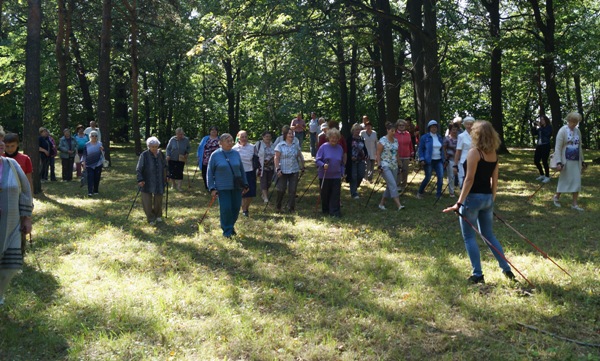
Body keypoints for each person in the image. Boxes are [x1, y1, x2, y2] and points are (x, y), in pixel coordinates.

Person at [443, 121, 515, 284]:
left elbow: (469, 180)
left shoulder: (474, 152)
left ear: (476, 135)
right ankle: (507, 269)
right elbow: (495, 180)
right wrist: (492, 199)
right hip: (487, 198)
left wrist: (458, 203)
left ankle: (478, 274)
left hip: (472, 198)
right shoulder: (493, 154)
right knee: (489, 235)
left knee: (469, 237)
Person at [0, 137, 34, 307]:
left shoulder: (12, 165)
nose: (1, 145)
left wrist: (27, 217)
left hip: (12, 224)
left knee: (10, 267)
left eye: (1, 141)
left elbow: (26, 191)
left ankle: (0, 294)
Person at [207, 133, 249, 238]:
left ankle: (230, 226)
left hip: (236, 186)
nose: (230, 143)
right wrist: (212, 188)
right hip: (222, 187)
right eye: (227, 141)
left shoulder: (236, 154)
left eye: (231, 141)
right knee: (226, 209)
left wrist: (245, 184)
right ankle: (227, 231)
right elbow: (210, 172)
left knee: (235, 208)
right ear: (220, 143)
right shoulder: (215, 155)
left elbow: (241, 170)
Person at [552, 112, 586, 211]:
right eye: (573, 121)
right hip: (565, 161)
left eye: (577, 122)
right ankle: (556, 197)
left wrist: (582, 161)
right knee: (564, 180)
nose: (575, 123)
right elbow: (558, 148)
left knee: (576, 181)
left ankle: (574, 204)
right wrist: (558, 162)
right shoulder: (562, 131)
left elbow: (579, 147)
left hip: (576, 161)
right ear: (569, 120)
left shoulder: (578, 131)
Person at [136, 137, 167, 225]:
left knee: (158, 199)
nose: (154, 148)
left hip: (159, 180)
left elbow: (165, 165)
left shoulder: (161, 154)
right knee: (147, 200)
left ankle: (158, 215)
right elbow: (139, 168)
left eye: (156, 146)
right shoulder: (144, 155)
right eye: (152, 146)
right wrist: (140, 179)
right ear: (148, 146)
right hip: (147, 180)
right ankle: (150, 218)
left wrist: (167, 175)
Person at [274, 128, 305, 213]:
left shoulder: (295, 145)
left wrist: (303, 165)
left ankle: (291, 208)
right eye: (289, 134)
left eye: (292, 134)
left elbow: (299, 155)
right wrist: (278, 169)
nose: (291, 135)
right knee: (281, 189)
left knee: (292, 190)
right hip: (283, 170)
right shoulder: (280, 145)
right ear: (285, 135)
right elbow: (276, 158)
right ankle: (278, 206)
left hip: (294, 170)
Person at [375, 122, 405, 210]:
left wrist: (400, 163)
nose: (393, 132)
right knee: (393, 184)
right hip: (385, 165)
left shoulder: (395, 140)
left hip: (394, 165)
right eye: (392, 131)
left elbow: (396, 153)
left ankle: (381, 204)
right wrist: (379, 165)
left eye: (394, 131)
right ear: (387, 130)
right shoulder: (382, 140)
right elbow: (378, 153)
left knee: (390, 185)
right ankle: (399, 205)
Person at [316, 128, 345, 216]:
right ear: (328, 137)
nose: (334, 139)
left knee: (335, 194)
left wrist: (343, 172)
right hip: (325, 175)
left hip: (336, 175)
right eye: (332, 137)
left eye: (336, 138)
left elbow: (342, 163)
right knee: (325, 194)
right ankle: (326, 210)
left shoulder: (340, 148)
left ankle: (335, 212)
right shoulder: (323, 147)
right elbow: (317, 160)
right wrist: (323, 164)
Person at [417, 120, 445, 199]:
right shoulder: (424, 137)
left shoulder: (439, 137)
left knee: (440, 176)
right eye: (432, 127)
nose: (434, 128)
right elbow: (421, 149)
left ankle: (438, 194)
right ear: (429, 128)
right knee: (428, 177)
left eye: (435, 127)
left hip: (439, 160)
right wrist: (422, 159)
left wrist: (444, 159)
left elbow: (442, 149)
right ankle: (420, 192)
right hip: (428, 161)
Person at [233, 130, 256, 217]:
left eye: (246, 136)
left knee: (250, 192)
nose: (244, 138)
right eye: (242, 137)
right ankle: (244, 210)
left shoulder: (252, 147)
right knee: (242, 192)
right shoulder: (234, 148)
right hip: (239, 173)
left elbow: (256, 159)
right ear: (238, 137)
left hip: (250, 171)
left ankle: (246, 207)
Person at [347, 123, 367, 199]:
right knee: (353, 176)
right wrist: (350, 157)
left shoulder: (361, 138)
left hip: (361, 159)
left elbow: (364, 148)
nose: (357, 131)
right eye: (356, 130)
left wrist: (366, 154)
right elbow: (347, 149)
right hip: (352, 160)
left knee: (361, 174)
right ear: (353, 130)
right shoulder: (349, 138)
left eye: (359, 129)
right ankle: (354, 193)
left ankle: (356, 185)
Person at [81, 130, 104, 196]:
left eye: (95, 136)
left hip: (98, 163)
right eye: (92, 135)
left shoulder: (100, 144)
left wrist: (102, 150)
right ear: (90, 136)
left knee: (97, 177)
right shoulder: (87, 144)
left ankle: (96, 190)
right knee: (90, 177)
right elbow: (84, 154)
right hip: (89, 164)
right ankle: (90, 191)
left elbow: (103, 154)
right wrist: (84, 162)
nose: (94, 137)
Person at [454, 116, 475, 188]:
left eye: (471, 124)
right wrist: (455, 165)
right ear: (464, 125)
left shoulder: (477, 136)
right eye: (467, 124)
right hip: (464, 161)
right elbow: (458, 151)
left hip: (475, 160)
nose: (469, 126)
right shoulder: (461, 136)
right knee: (464, 180)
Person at [255, 130, 275, 204]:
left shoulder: (273, 145)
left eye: (269, 136)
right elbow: (255, 154)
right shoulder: (259, 144)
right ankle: (266, 198)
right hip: (262, 166)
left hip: (271, 166)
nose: (268, 138)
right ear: (263, 137)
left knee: (269, 181)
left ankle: (264, 194)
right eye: (266, 136)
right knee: (263, 181)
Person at [197, 126, 220, 190]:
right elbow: (200, 148)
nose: (213, 131)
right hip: (205, 159)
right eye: (212, 130)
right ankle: (207, 186)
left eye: (215, 130)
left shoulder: (220, 139)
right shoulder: (205, 138)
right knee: (205, 173)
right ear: (209, 131)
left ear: (217, 132)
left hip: (216, 159)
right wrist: (198, 156)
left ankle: (215, 186)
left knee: (216, 173)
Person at [394, 119, 414, 192]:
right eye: (400, 125)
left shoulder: (408, 134)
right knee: (398, 171)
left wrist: (412, 151)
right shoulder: (395, 134)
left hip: (406, 155)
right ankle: (398, 185)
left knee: (405, 171)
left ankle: (404, 185)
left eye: (403, 125)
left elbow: (410, 144)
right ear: (397, 126)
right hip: (397, 155)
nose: (401, 126)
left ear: (405, 126)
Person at [532, 115, 553, 183]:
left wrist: (540, 127)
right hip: (539, 146)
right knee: (536, 161)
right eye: (541, 120)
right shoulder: (541, 128)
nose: (541, 121)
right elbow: (534, 133)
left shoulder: (549, 127)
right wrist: (534, 127)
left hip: (546, 145)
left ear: (546, 120)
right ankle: (542, 174)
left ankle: (547, 176)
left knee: (544, 161)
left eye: (543, 119)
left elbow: (547, 134)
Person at [443, 123, 460, 197]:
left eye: (456, 129)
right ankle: (451, 192)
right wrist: (445, 158)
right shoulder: (447, 138)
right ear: (450, 130)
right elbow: (444, 149)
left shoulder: (460, 138)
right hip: (450, 159)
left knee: (460, 175)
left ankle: (461, 190)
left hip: (459, 159)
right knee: (451, 175)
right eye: (453, 129)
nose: (455, 131)